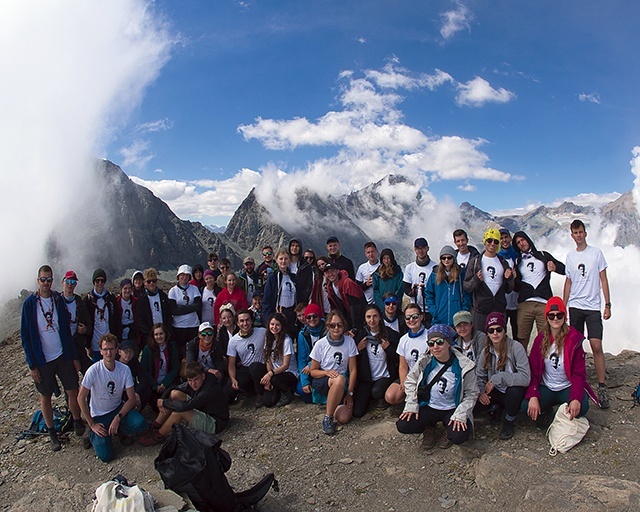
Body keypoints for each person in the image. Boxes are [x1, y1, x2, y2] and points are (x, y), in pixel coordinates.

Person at [21, 265, 85, 451]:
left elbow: (65, 330)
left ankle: (77, 421)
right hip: (43, 361)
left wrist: (73, 356)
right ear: (37, 280)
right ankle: (51, 433)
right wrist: (32, 365)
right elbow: (25, 336)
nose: (46, 283)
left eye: (49, 279)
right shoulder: (30, 304)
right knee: (46, 396)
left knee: (73, 389)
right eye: (43, 279)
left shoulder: (58, 300)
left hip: (62, 355)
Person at [396, 324, 478, 449]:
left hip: (452, 408)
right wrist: (411, 404)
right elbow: (410, 380)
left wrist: (461, 414)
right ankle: (428, 428)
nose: (435, 347)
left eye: (440, 342)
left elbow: (472, 393)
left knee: (459, 436)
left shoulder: (465, 365)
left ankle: (448, 430)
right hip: (429, 405)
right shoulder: (425, 361)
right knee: (403, 425)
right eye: (431, 343)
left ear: (449, 343)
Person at [523, 296, 595, 427]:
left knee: (582, 407)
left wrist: (575, 398)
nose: (555, 318)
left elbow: (579, 374)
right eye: (551, 316)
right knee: (524, 406)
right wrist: (533, 395)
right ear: (546, 318)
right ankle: (548, 410)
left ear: (565, 317)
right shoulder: (540, 340)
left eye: (559, 315)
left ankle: (562, 410)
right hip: (546, 386)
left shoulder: (575, 339)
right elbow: (533, 370)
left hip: (566, 386)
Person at [563, 219, 611, 409]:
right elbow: (568, 282)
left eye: (581, 232)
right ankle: (576, 381)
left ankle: (601, 386)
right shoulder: (570, 256)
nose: (579, 235)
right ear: (572, 235)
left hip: (592, 306)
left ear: (585, 233)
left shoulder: (596, 253)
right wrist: (564, 306)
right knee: (574, 346)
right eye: (575, 233)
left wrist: (607, 304)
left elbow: (604, 280)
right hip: (575, 305)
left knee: (596, 344)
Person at [77, 334, 148, 462]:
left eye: (111, 349)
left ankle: (118, 429)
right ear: (101, 351)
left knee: (141, 423)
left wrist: (118, 417)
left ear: (117, 350)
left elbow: (131, 399)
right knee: (106, 456)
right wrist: (92, 423)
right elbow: (80, 398)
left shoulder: (124, 369)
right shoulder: (93, 370)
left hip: (117, 408)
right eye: (105, 349)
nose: (108, 353)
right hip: (99, 414)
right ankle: (93, 433)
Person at [139, 362, 229, 445]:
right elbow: (174, 388)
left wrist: (165, 403)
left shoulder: (208, 390)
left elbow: (186, 406)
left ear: (203, 376)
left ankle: (158, 435)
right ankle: (156, 425)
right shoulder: (196, 383)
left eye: (195, 379)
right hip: (203, 409)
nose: (193, 384)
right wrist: (162, 400)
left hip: (215, 422)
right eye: (190, 380)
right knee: (175, 393)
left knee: (179, 413)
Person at [475, 312, 531, 440]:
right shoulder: (486, 351)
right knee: (475, 405)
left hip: (512, 390)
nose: (495, 333)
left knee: (515, 392)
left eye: (499, 329)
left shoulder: (516, 347)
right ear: (487, 333)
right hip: (495, 391)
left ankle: (508, 421)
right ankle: (497, 409)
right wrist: (481, 393)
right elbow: (480, 375)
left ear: (505, 330)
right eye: (491, 330)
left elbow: (526, 377)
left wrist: (498, 378)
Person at [512, 230, 566, 349]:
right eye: (518, 243)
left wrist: (555, 267)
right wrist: (513, 279)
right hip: (525, 303)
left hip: (544, 303)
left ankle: (545, 365)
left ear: (528, 240)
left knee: (546, 336)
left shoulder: (543, 255)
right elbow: (516, 288)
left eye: (523, 240)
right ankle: (524, 365)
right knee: (522, 337)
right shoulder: (517, 261)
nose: (521, 243)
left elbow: (564, 269)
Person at [310, 310, 358, 435]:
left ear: (343, 326)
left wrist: (350, 393)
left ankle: (334, 404)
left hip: (343, 382)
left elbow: (353, 370)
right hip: (324, 379)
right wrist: (326, 373)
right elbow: (313, 371)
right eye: (332, 325)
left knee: (343, 418)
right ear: (327, 327)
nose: (336, 328)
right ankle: (328, 417)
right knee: (339, 379)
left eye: (339, 325)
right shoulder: (320, 344)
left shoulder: (349, 342)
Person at [463, 228, 515, 333]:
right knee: (480, 340)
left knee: (498, 340)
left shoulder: (503, 262)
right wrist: (476, 280)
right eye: (489, 240)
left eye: (496, 241)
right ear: (485, 241)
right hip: (481, 310)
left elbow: (509, 289)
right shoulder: (475, 261)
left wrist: (510, 279)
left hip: (499, 308)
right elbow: (466, 286)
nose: (492, 244)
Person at [353, 305, 399, 417]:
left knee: (376, 391)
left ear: (380, 317)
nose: (372, 320)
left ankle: (380, 398)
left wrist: (389, 349)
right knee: (357, 413)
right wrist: (357, 349)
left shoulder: (390, 334)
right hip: (367, 377)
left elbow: (398, 359)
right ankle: (369, 398)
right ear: (365, 319)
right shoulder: (361, 335)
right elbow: (353, 359)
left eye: (375, 316)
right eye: (368, 317)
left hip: (384, 376)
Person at [249, 312, 299, 407]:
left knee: (276, 379)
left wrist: (270, 375)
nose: (274, 327)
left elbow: (285, 365)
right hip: (274, 373)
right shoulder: (269, 339)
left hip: (288, 373)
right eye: (272, 324)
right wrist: (269, 377)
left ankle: (286, 392)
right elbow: (268, 360)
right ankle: (261, 393)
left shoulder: (286, 340)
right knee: (268, 402)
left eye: (277, 325)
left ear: (282, 326)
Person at [385, 304, 428, 406]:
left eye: (415, 317)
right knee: (391, 396)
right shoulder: (403, 339)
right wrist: (403, 381)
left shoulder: (429, 336)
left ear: (421, 317)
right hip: (411, 376)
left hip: (426, 376)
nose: (411, 320)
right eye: (408, 317)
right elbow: (403, 366)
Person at [226, 309, 267, 406]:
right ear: (237, 323)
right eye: (242, 321)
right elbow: (231, 364)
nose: (245, 323)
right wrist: (233, 379)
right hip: (246, 368)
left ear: (252, 321)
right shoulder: (233, 341)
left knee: (255, 367)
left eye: (247, 320)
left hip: (260, 367)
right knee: (229, 389)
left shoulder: (262, 332)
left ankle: (260, 394)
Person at [424, 245, 471, 327]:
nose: (446, 260)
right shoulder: (435, 274)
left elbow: (466, 293)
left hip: (458, 319)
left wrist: (463, 310)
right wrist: (434, 311)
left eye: (449, 257)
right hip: (439, 318)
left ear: (454, 258)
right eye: (443, 258)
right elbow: (428, 293)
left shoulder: (461, 274)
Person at [140, 323, 181, 408]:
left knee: (172, 399)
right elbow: (144, 370)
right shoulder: (148, 349)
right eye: (156, 334)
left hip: (168, 382)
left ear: (165, 334)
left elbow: (175, 368)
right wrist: (155, 385)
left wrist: (164, 384)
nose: (159, 337)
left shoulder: (172, 347)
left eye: (161, 333)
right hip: (153, 383)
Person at [60, 270, 93, 373]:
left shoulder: (80, 302)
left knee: (89, 373)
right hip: (63, 348)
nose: (70, 285)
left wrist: (85, 330)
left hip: (78, 346)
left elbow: (89, 325)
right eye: (68, 282)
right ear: (63, 282)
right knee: (71, 382)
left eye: (73, 282)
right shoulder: (56, 301)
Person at [84, 269, 119, 360]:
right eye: (97, 281)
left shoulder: (111, 298)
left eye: (102, 281)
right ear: (93, 282)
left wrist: (117, 340)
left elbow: (117, 319)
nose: (100, 283)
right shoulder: (87, 300)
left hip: (110, 343)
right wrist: (87, 345)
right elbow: (86, 322)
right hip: (95, 343)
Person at [168, 264, 202, 358]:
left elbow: (198, 306)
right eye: (182, 275)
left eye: (187, 275)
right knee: (180, 352)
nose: (184, 277)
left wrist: (182, 308)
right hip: (179, 326)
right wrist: (191, 307)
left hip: (193, 325)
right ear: (178, 276)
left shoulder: (194, 289)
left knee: (194, 350)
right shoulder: (173, 291)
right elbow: (173, 310)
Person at [323, 263, 368, 332]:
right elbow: (334, 308)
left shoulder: (348, 283)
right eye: (327, 273)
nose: (330, 274)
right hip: (346, 319)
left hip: (360, 318)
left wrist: (355, 328)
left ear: (337, 271)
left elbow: (355, 307)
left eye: (332, 271)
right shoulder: (329, 288)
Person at [297, 303, 327, 404]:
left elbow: (326, 353)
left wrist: (310, 365)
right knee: (302, 391)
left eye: (315, 316)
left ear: (320, 316)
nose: (312, 319)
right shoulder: (302, 334)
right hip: (309, 370)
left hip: (325, 367)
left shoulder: (327, 331)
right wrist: (305, 382)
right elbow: (302, 359)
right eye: (308, 317)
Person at [403, 237, 437, 324]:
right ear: (415, 249)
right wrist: (412, 292)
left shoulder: (435, 268)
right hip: (415, 309)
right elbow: (406, 287)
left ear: (427, 249)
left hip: (431, 308)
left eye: (423, 248)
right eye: (418, 248)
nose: (420, 251)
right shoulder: (410, 268)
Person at [262, 249, 299, 331]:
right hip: (279, 313)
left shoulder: (293, 277)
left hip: (292, 313)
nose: (283, 261)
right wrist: (267, 319)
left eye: (286, 259)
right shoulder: (273, 277)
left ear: (289, 260)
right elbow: (267, 299)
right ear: (277, 261)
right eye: (281, 259)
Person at [138, 268, 171, 348]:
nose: (151, 283)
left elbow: (168, 314)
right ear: (144, 283)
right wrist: (150, 333)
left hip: (164, 333)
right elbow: (140, 320)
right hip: (150, 335)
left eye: (154, 281)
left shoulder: (163, 296)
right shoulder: (142, 299)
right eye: (149, 281)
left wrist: (166, 330)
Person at [117, 339, 152, 412]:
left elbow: (144, 378)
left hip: (132, 389)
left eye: (131, 351)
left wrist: (137, 393)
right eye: (126, 351)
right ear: (119, 352)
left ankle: (137, 410)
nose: (128, 354)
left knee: (147, 391)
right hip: (119, 391)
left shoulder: (134, 362)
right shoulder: (115, 363)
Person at [497, 229, 519, 340]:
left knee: (518, 334)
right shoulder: (497, 258)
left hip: (517, 302)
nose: (504, 240)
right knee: (501, 333)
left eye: (506, 237)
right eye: (501, 238)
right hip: (503, 303)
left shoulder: (518, 256)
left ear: (510, 238)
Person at [116, 278, 139, 346]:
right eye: (125, 288)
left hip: (133, 332)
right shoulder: (116, 302)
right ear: (121, 289)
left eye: (129, 288)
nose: (127, 290)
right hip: (120, 332)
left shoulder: (136, 301)